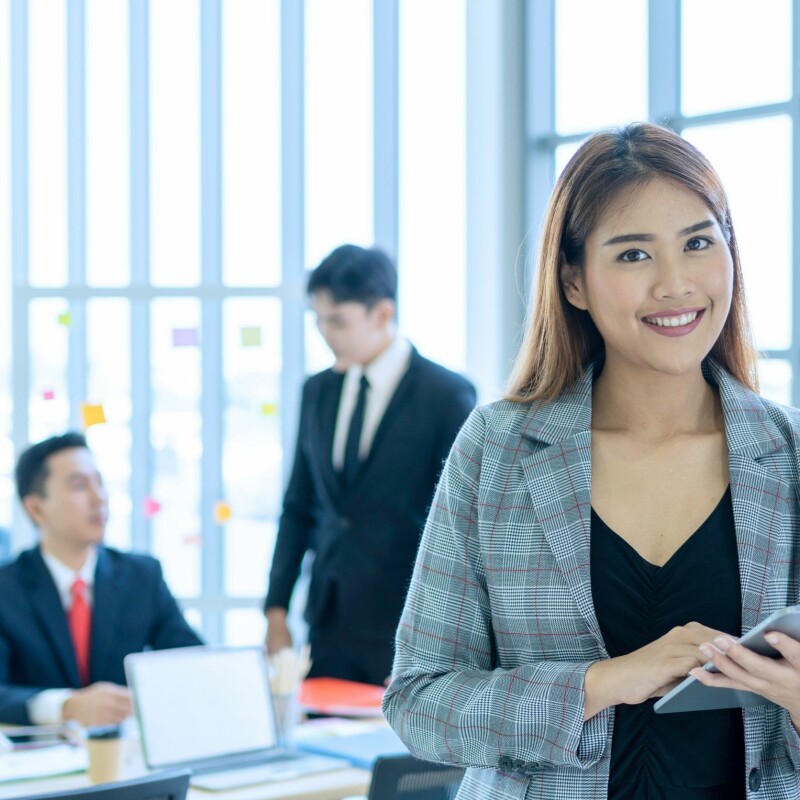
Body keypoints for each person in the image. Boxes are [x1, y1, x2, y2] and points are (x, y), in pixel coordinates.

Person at [383, 123, 800, 799]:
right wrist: (599, 684)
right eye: (634, 255)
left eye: (698, 242)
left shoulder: (790, 459)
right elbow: (419, 701)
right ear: (574, 281)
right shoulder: (498, 449)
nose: (675, 283)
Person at [264, 244, 477, 686]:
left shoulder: (446, 396)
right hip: (328, 621)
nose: (325, 333)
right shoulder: (317, 391)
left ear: (382, 314)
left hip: (406, 625)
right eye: (317, 319)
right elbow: (298, 506)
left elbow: (460, 528)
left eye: (337, 321)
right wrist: (276, 609)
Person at [0, 432, 203, 726]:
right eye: (80, 486)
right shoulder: (7, 588)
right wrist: (66, 707)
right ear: (36, 508)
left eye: (100, 483)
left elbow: (191, 661)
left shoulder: (142, 576)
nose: (100, 498)